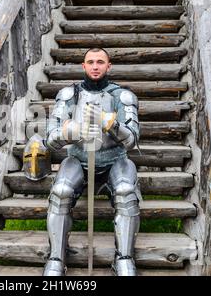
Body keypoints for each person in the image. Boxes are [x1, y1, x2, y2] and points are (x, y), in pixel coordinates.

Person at [43, 48, 141, 276]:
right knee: (61, 191)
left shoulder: (122, 96)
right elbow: (50, 139)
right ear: (83, 66)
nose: (95, 66)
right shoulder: (69, 95)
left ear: (109, 66)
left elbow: (133, 140)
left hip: (114, 160)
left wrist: (112, 125)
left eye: (100, 62)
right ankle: (56, 258)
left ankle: (124, 259)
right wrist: (71, 132)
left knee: (126, 191)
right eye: (90, 62)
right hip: (78, 159)